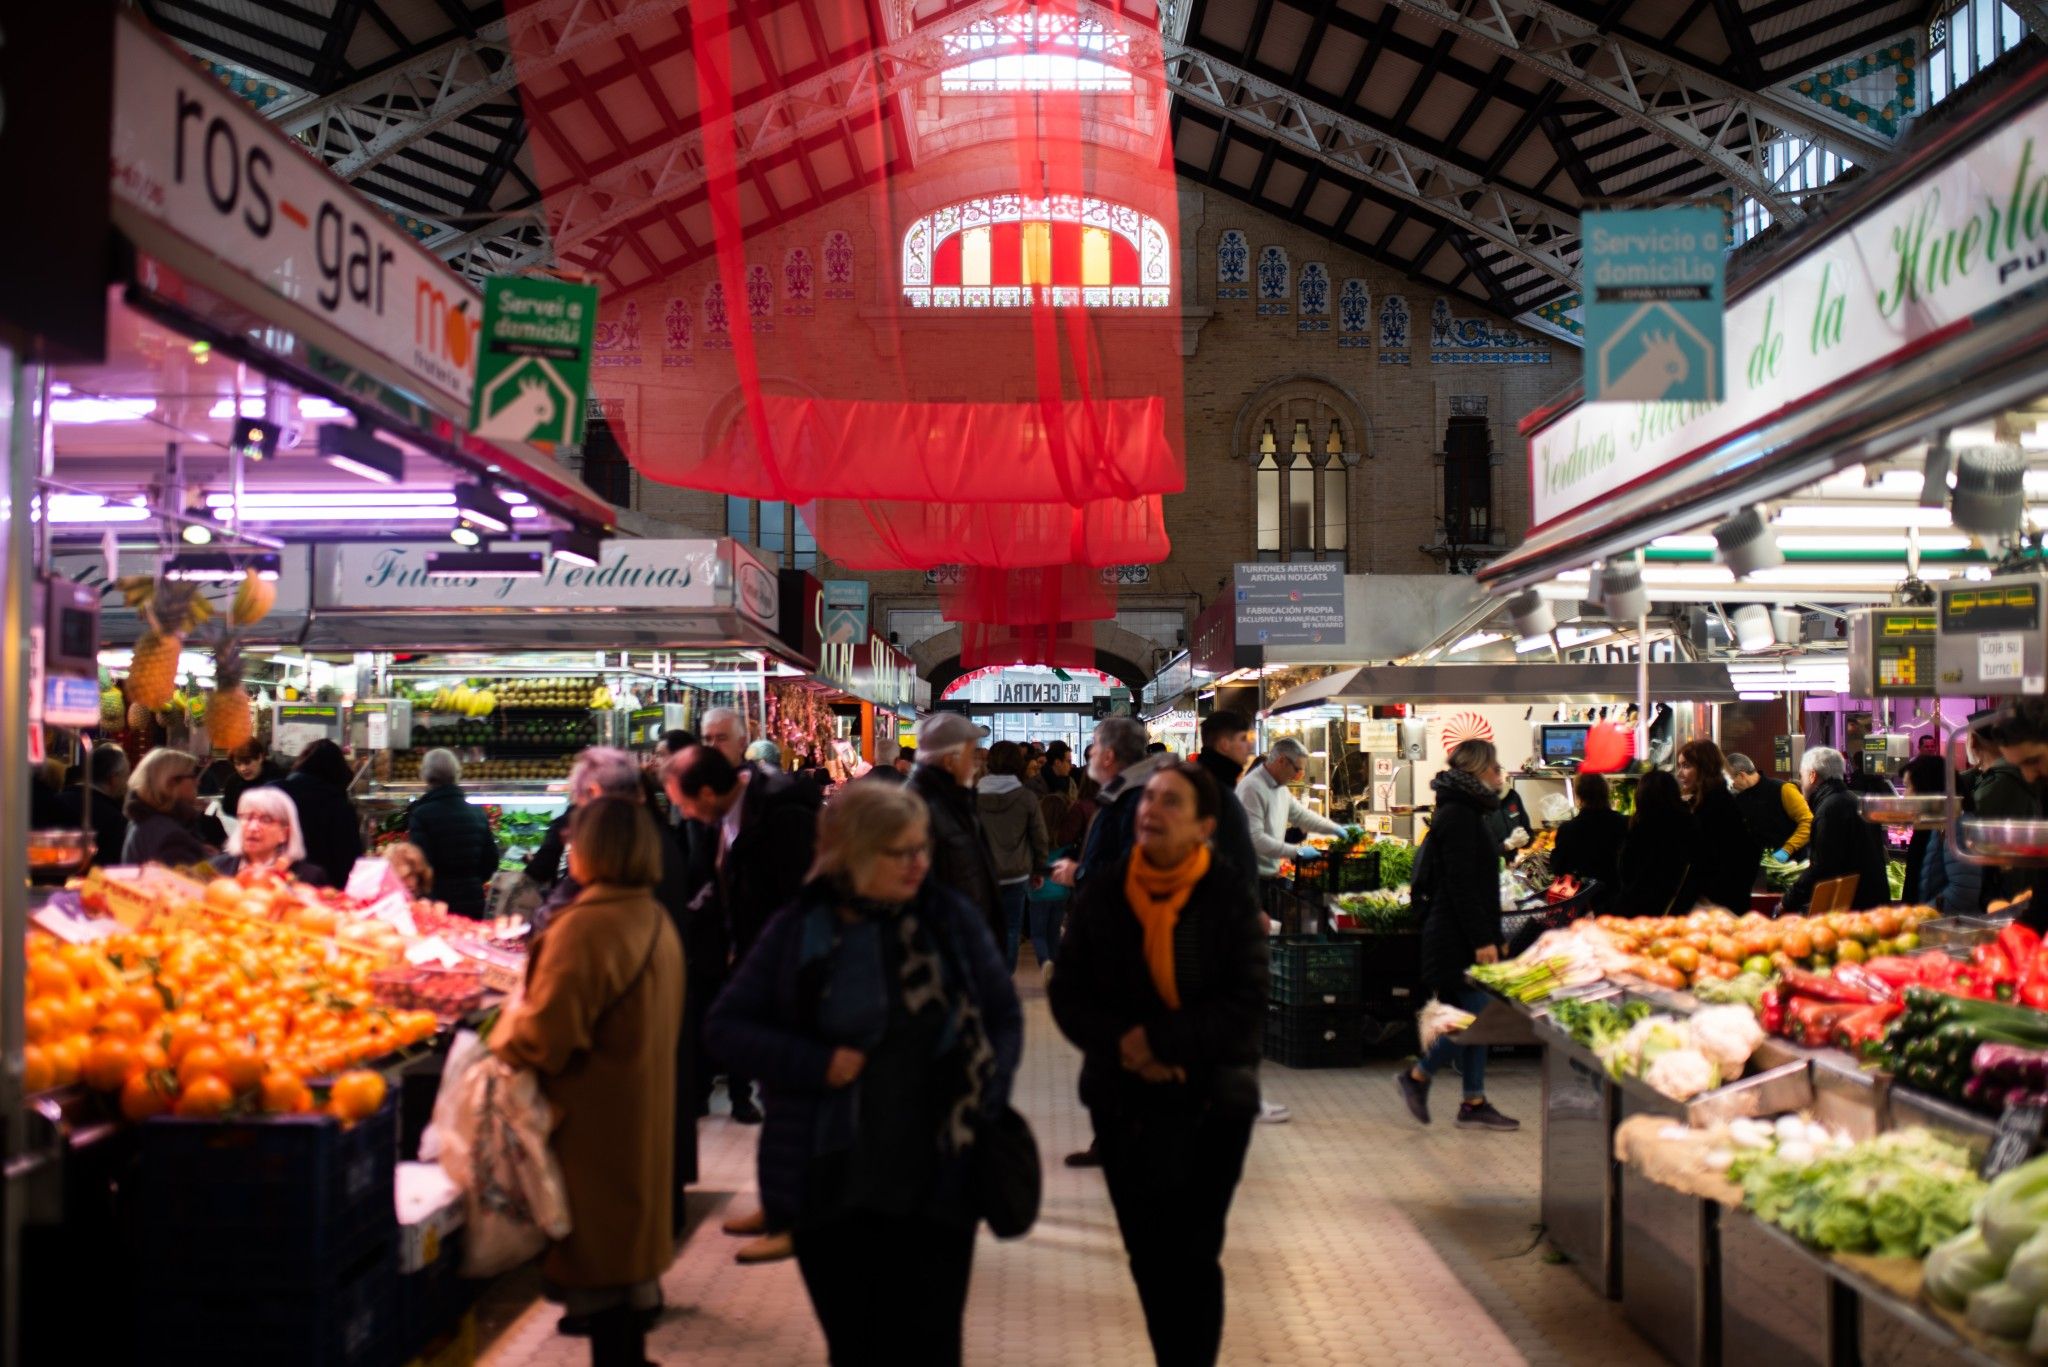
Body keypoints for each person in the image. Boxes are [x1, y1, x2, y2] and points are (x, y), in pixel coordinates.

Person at [705, 783, 1022, 1367]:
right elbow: (726, 1026)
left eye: (921, 848)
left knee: (932, 1343)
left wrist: (983, 1100)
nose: (918, 864)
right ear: (852, 852)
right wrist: (815, 1062)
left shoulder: (947, 916)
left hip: (939, 1175)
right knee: (858, 1345)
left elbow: (1003, 1017)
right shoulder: (803, 927)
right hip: (832, 1177)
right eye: (898, 852)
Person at [1048, 763, 1269, 1367]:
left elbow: (1245, 1001)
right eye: (1149, 799)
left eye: (1171, 802)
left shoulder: (1227, 897)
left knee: (1194, 1252)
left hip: (1210, 1103)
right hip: (1125, 1104)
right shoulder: (1108, 891)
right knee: (1148, 1252)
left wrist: (1165, 1045)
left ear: (1203, 826)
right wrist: (1128, 1045)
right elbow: (1069, 991)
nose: (1151, 810)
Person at [491, 799, 684, 1367]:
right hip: (637, 1108)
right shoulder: (652, 917)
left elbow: (547, 1036)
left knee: (599, 1256)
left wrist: (501, 1038)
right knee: (625, 1255)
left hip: (590, 1120)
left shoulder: (587, 926)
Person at [668, 744, 822, 1136]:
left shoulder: (782, 818)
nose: (684, 813)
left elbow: (801, 900)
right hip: (746, 959)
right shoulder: (720, 822)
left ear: (706, 794)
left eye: (683, 804)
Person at [1395, 740, 1519, 1132]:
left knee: (1469, 1016)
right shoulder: (1458, 816)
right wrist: (1484, 938)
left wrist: (1493, 935)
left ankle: (1474, 1101)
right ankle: (1418, 1076)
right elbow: (1463, 886)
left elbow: (1479, 887)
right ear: (1478, 771)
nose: (1499, 775)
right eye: (1494, 768)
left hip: (1461, 934)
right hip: (1454, 939)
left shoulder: (1467, 812)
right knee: (1478, 1017)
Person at [907, 713, 1005, 946]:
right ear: (950, 761)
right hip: (947, 954)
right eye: (972, 755)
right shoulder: (917, 809)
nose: (976, 764)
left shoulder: (956, 802)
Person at [1057, 716, 1170, 893]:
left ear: (1108, 756)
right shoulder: (1120, 795)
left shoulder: (1136, 801)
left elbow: (1132, 872)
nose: (1091, 752)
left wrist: (1079, 874)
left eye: (1095, 745)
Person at [1782, 746, 1890, 912]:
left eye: (1801, 776)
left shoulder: (1829, 810)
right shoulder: (1855, 801)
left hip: (1853, 910)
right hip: (1872, 905)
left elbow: (1822, 867)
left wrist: (1788, 901)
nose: (1801, 782)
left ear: (1812, 776)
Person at [977, 741, 1050, 971]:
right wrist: (1039, 869)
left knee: (982, 926)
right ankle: (1004, 977)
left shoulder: (971, 797)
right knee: (1011, 929)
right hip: (1016, 874)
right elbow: (1039, 837)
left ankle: (985, 978)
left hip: (982, 874)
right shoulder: (1026, 798)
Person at [402, 749, 500, 919]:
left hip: (436, 903)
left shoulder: (422, 814)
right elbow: (491, 862)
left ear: (425, 775)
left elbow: (419, 864)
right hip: (473, 900)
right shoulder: (477, 814)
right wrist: (471, 881)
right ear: (456, 774)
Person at [1237, 737, 1345, 880]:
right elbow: (1256, 839)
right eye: (1296, 769)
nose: (1296, 775)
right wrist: (1296, 851)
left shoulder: (1277, 789)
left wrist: (1332, 829)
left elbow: (1298, 817)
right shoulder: (1252, 790)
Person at [1677, 738, 1762, 912]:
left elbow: (1702, 865)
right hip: (1724, 903)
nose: (1680, 774)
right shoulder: (1716, 801)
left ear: (1704, 767)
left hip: (1717, 907)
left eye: (1686, 766)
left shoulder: (1714, 807)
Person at [1193, 711, 1260, 903]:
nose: (1249, 747)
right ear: (1224, 744)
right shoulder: (1208, 789)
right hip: (1219, 914)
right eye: (1243, 739)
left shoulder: (1219, 784)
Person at [281, 740, 364, 890]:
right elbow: (349, 860)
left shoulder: (277, 795)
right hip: (325, 892)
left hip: (279, 883)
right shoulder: (339, 806)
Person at [1616, 769, 1697, 917]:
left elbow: (1626, 872)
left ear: (1641, 796)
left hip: (1640, 908)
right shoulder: (1689, 823)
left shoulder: (1640, 828)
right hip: (1676, 906)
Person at [210, 785, 327, 883]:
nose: (253, 827)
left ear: (284, 833)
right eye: (247, 818)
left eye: (266, 819)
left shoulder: (310, 877)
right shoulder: (214, 868)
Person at [121, 748, 216, 866]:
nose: (198, 782)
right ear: (171, 783)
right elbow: (186, 882)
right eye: (193, 776)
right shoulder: (172, 838)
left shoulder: (142, 822)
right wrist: (214, 863)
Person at [1549, 772, 1627, 895]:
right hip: (1618, 898)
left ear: (1579, 796)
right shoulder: (1624, 823)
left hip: (1583, 901)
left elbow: (1558, 868)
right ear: (1606, 792)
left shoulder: (1568, 829)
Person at [1727, 752, 1814, 864]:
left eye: (1731, 780)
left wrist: (1787, 849)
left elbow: (1808, 822)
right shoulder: (1740, 798)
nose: (1731, 785)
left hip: (1791, 865)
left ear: (1742, 775)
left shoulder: (1784, 789)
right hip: (1760, 868)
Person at [59, 744, 129, 869]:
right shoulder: (114, 819)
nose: (127, 783)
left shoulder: (58, 801)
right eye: (125, 776)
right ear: (113, 779)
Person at [198, 739, 285, 819]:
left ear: (260, 757)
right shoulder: (233, 782)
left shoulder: (277, 779)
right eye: (238, 764)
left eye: (247, 762)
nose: (242, 768)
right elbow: (228, 813)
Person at [1901, 754, 1944, 904]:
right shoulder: (1923, 827)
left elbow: (1962, 888)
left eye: (1907, 787)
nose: (1904, 795)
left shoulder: (1947, 829)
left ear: (1925, 788)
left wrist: (1922, 915)